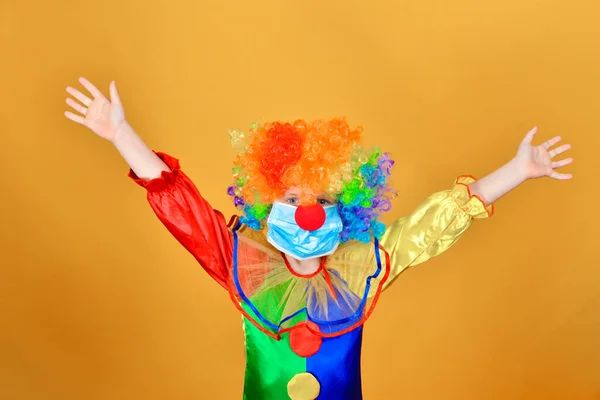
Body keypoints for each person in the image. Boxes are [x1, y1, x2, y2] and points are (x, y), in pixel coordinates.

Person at [64, 77, 573, 400]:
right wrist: (121, 136)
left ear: (347, 214)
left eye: (324, 203)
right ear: (265, 207)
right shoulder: (243, 263)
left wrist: (516, 170)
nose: (308, 214)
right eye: (292, 200)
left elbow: (431, 225)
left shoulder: (364, 269)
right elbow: (186, 209)